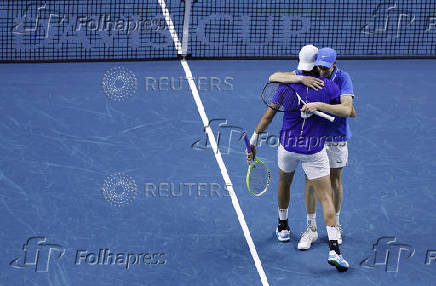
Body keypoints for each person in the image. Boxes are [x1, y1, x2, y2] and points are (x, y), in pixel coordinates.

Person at [246, 45, 350, 271]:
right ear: (318, 66)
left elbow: (267, 118)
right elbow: (347, 110)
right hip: (313, 151)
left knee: (284, 183)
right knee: (325, 198)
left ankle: (283, 227)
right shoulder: (330, 87)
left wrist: (253, 141)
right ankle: (334, 250)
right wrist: (323, 105)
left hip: (287, 148)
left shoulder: (286, 86)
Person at [270, 47, 355, 250]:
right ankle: (311, 228)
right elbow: (274, 77)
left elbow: (349, 110)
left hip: (335, 138)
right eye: (319, 66)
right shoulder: (309, 72)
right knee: (311, 182)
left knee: (334, 181)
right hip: (314, 137)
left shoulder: (342, 79)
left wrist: (319, 105)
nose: (321, 71)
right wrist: (300, 80)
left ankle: (336, 224)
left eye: (325, 68)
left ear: (334, 65)